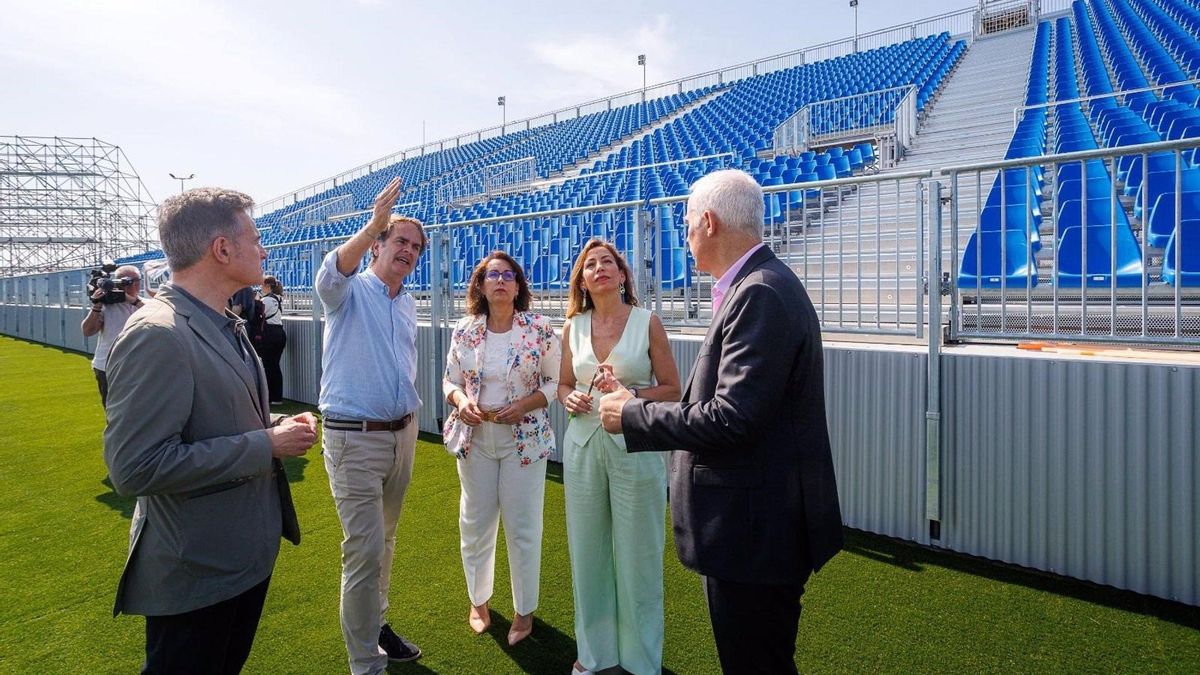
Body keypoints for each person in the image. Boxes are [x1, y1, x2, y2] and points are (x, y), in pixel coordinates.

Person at [598, 169, 844, 674]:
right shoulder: (759, 286)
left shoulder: (761, 293)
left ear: (707, 222)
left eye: (687, 225)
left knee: (755, 664)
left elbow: (733, 418)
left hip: (755, 534)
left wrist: (631, 413)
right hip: (755, 528)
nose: (685, 237)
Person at [103, 187, 317, 674]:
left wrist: (275, 426)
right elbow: (136, 469)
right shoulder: (158, 334)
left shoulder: (223, 321)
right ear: (222, 249)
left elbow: (216, 418)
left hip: (237, 560)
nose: (264, 250)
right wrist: (265, 444)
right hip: (197, 570)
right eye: (256, 238)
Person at [315, 177, 426, 674]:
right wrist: (372, 223)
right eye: (399, 240)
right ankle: (365, 664)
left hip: (401, 434)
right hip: (353, 439)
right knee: (362, 549)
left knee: (386, 539)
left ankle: (376, 627)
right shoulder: (347, 290)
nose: (408, 250)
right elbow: (328, 276)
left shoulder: (406, 302)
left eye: (416, 247)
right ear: (377, 245)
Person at [557, 238, 680, 675]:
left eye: (608, 262)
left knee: (639, 557)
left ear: (623, 275)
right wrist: (569, 399)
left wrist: (630, 396)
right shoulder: (572, 327)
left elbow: (672, 389)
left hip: (635, 447)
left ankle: (642, 662)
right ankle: (595, 656)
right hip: (583, 448)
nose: (600, 268)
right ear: (583, 281)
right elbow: (564, 385)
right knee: (587, 554)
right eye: (590, 265)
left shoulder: (647, 322)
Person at [441, 251, 560, 645]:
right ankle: (479, 600)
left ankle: (524, 612)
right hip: (476, 438)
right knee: (474, 523)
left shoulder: (539, 328)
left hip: (523, 441)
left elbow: (554, 383)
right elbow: (449, 382)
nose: (501, 281)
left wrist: (525, 405)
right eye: (493, 275)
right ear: (480, 284)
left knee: (523, 527)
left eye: (509, 275)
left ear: (518, 285)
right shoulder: (465, 330)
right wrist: (461, 401)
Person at [81, 264, 144, 406]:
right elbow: (88, 331)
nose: (132, 285)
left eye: (135, 281)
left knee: (141, 409)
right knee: (113, 410)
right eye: (126, 281)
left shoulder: (146, 304)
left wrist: (133, 301)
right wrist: (96, 305)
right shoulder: (106, 305)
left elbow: (156, 316)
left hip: (140, 366)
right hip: (107, 366)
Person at [256, 275, 287, 405]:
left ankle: (270, 397)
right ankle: (277, 396)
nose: (261, 288)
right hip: (279, 332)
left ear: (267, 286)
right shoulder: (278, 299)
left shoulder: (266, 300)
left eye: (262, 285)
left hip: (270, 333)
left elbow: (257, 313)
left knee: (268, 365)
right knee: (275, 365)